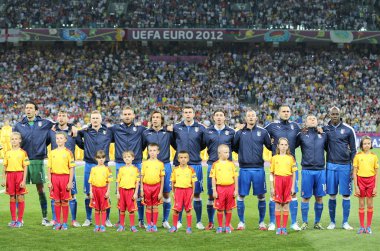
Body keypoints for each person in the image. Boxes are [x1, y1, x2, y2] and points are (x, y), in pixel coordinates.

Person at [13, 101, 55, 226]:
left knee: (40, 190)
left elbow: (59, 126)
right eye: (26, 108)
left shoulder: (45, 123)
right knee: (19, 190)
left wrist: (73, 126)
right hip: (22, 161)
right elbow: (14, 140)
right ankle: (18, 219)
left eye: (31, 108)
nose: (28, 110)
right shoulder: (19, 125)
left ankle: (45, 217)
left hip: (37, 160)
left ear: (36, 111)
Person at [233, 109, 271, 230]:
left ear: (256, 118)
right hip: (244, 169)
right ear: (245, 118)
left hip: (259, 169)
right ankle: (241, 222)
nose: (250, 118)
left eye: (253, 116)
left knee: (261, 196)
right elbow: (234, 147)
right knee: (241, 195)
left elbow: (270, 146)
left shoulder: (263, 132)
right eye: (248, 116)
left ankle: (261, 222)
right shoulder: (239, 133)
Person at [265, 104, 301, 231]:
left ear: (290, 113)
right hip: (277, 167)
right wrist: (272, 147)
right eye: (283, 111)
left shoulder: (295, 126)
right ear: (279, 113)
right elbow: (263, 136)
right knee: (273, 195)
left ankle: (293, 223)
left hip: (290, 165)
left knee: (294, 193)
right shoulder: (272, 126)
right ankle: (273, 223)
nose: (286, 113)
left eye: (288, 111)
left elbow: (300, 140)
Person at [110, 106, 146, 228]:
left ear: (133, 115)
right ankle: (121, 221)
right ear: (121, 116)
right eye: (125, 114)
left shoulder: (140, 129)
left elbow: (148, 139)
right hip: (121, 163)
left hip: (136, 163)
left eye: (129, 114)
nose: (127, 116)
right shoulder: (115, 129)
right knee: (121, 192)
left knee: (139, 193)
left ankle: (141, 220)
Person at [75, 110, 112, 227]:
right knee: (88, 193)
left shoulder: (108, 131)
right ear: (90, 120)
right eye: (93, 118)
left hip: (104, 166)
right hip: (90, 164)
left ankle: (106, 219)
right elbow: (77, 138)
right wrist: (85, 147)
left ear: (101, 119)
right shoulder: (86, 131)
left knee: (106, 193)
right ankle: (88, 218)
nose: (95, 120)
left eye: (97, 118)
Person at [172, 105, 206, 229]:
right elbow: (173, 142)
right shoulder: (176, 127)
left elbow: (202, 144)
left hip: (195, 163)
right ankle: (179, 220)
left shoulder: (201, 128)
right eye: (185, 112)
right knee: (179, 193)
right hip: (179, 165)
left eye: (190, 112)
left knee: (196, 194)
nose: (188, 114)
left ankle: (198, 221)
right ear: (182, 113)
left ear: (194, 114)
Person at [323, 107, 357, 230]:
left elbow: (354, 150)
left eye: (337, 114)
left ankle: (345, 222)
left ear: (340, 114)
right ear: (329, 115)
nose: (335, 116)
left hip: (345, 166)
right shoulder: (325, 129)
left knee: (346, 195)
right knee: (332, 195)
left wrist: (353, 167)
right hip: (331, 166)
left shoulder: (348, 129)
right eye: (333, 114)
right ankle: (332, 222)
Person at [203, 109, 235, 230]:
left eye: (221, 115)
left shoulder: (231, 132)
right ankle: (211, 222)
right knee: (212, 195)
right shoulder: (208, 131)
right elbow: (204, 145)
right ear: (213, 117)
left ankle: (227, 223)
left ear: (225, 117)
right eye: (217, 115)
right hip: (212, 165)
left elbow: (235, 147)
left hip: (227, 167)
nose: (219, 117)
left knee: (227, 197)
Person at [142, 110, 173, 229]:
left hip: (165, 164)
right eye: (153, 117)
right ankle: (147, 221)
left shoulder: (168, 132)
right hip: (150, 166)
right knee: (148, 195)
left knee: (165, 193)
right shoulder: (146, 133)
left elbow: (176, 144)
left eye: (158, 117)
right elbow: (142, 147)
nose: (155, 119)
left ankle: (165, 220)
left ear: (162, 120)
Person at [49, 110, 81, 227]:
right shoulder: (52, 131)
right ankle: (55, 219)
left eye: (63, 116)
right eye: (59, 116)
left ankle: (73, 219)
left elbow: (81, 145)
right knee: (55, 197)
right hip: (56, 170)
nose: (61, 118)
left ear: (68, 118)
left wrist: (77, 132)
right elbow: (45, 142)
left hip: (68, 170)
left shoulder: (72, 131)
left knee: (72, 194)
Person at [296, 115, 327, 230]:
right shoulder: (301, 134)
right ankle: (305, 222)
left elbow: (330, 149)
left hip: (320, 171)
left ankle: (317, 222)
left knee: (319, 197)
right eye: (310, 119)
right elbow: (291, 146)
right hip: (307, 170)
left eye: (314, 119)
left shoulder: (323, 135)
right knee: (306, 197)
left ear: (317, 121)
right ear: (306, 122)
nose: (312, 120)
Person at [47, 131, 75, 230]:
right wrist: (49, 181)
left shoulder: (68, 152)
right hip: (55, 178)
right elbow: (49, 168)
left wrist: (70, 181)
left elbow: (71, 168)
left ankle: (65, 223)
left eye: (61, 138)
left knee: (65, 201)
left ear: (65, 140)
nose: (59, 140)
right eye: (57, 138)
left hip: (65, 178)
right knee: (57, 201)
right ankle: (58, 222)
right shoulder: (52, 153)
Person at [270, 138, 297, 235]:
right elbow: (271, 173)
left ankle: (284, 228)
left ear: (288, 146)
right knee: (277, 205)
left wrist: (293, 187)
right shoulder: (274, 158)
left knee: (286, 206)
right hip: (277, 181)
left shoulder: (291, 158)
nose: (283, 146)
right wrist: (272, 187)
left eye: (285, 144)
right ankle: (278, 228)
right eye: (281, 144)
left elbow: (294, 174)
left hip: (288, 181)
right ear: (278, 146)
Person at [1, 132, 29, 228]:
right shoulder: (7, 152)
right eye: (12, 139)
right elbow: (4, 167)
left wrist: (24, 180)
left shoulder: (23, 152)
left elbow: (25, 167)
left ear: (20, 140)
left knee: (20, 197)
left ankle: (20, 220)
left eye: (16, 139)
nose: (14, 141)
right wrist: (3, 179)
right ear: (10, 141)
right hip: (10, 176)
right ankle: (13, 220)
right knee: (12, 197)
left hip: (19, 175)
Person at [210, 144, 238, 234]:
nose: (227, 154)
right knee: (220, 208)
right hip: (220, 189)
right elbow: (213, 178)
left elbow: (235, 177)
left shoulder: (232, 164)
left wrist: (236, 189)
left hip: (230, 188)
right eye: (225, 152)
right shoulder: (215, 164)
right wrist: (214, 190)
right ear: (219, 153)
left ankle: (227, 226)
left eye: (228, 152)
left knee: (229, 208)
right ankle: (220, 226)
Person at [353, 136, 378, 234]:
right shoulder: (358, 156)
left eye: (368, 143)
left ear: (371, 144)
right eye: (364, 143)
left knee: (370, 204)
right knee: (361, 204)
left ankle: (368, 227)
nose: (367, 145)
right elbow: (354, 172)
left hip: (371, 181)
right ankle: (362, 227)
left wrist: (375, 186)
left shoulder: (374, 156)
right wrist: (356, 186)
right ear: (361, 145)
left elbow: (376, 173)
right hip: (360, 181)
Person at [169, 151, 197, 234]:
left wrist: (193, 193)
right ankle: (174, 226)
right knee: (176, 210)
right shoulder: (175, 170)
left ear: (188, 159)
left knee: (188, 210)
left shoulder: (191, 170)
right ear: (178, 159)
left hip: (188, 191)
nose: (183, 159)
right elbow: (173, 182)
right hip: (178, 191)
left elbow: (193, 183)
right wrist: (173, 192)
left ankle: (189, 227)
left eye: (185, 157)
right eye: (181, 157)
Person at [141, 143, 165, 232]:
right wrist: (141, 189)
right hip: (146, 187)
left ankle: (154, 224)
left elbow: (162, 178)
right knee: (148, 206)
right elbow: (142, 177)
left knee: (155, 206)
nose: (152, 152)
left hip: (156, 187)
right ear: (148, 152)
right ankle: (149, 224)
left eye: (154, 150)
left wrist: (161, 191)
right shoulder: (144, 163)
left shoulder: (160, 164)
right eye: (150, 150)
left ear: (158, 152)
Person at [89, 150, 113, 232]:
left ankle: (102, 225)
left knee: (103, 209)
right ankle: (97, 225)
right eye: (99, 158)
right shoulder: (93, 169)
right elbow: (91, 181)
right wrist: (91, 191)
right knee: (96, 208)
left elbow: (109, 182)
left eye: (102, 158)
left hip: (103, 190)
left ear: (105, 158)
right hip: (95, 190)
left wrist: (108, 191)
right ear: (96, 158)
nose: (101, 159)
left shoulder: (107, 169)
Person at [116, 150, 140, 232]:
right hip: (122, 191)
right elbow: (118, 181)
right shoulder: (121, 169)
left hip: (131, 191)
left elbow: (137, 182)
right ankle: (122, 226)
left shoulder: (136, 169)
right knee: (122, 209)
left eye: (129, 157)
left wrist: (136, 193)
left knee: (131, 210)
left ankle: (132, 226)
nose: (127, 158)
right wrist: (118, 192)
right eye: (125, 157)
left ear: (132, 158)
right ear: (123, 159)